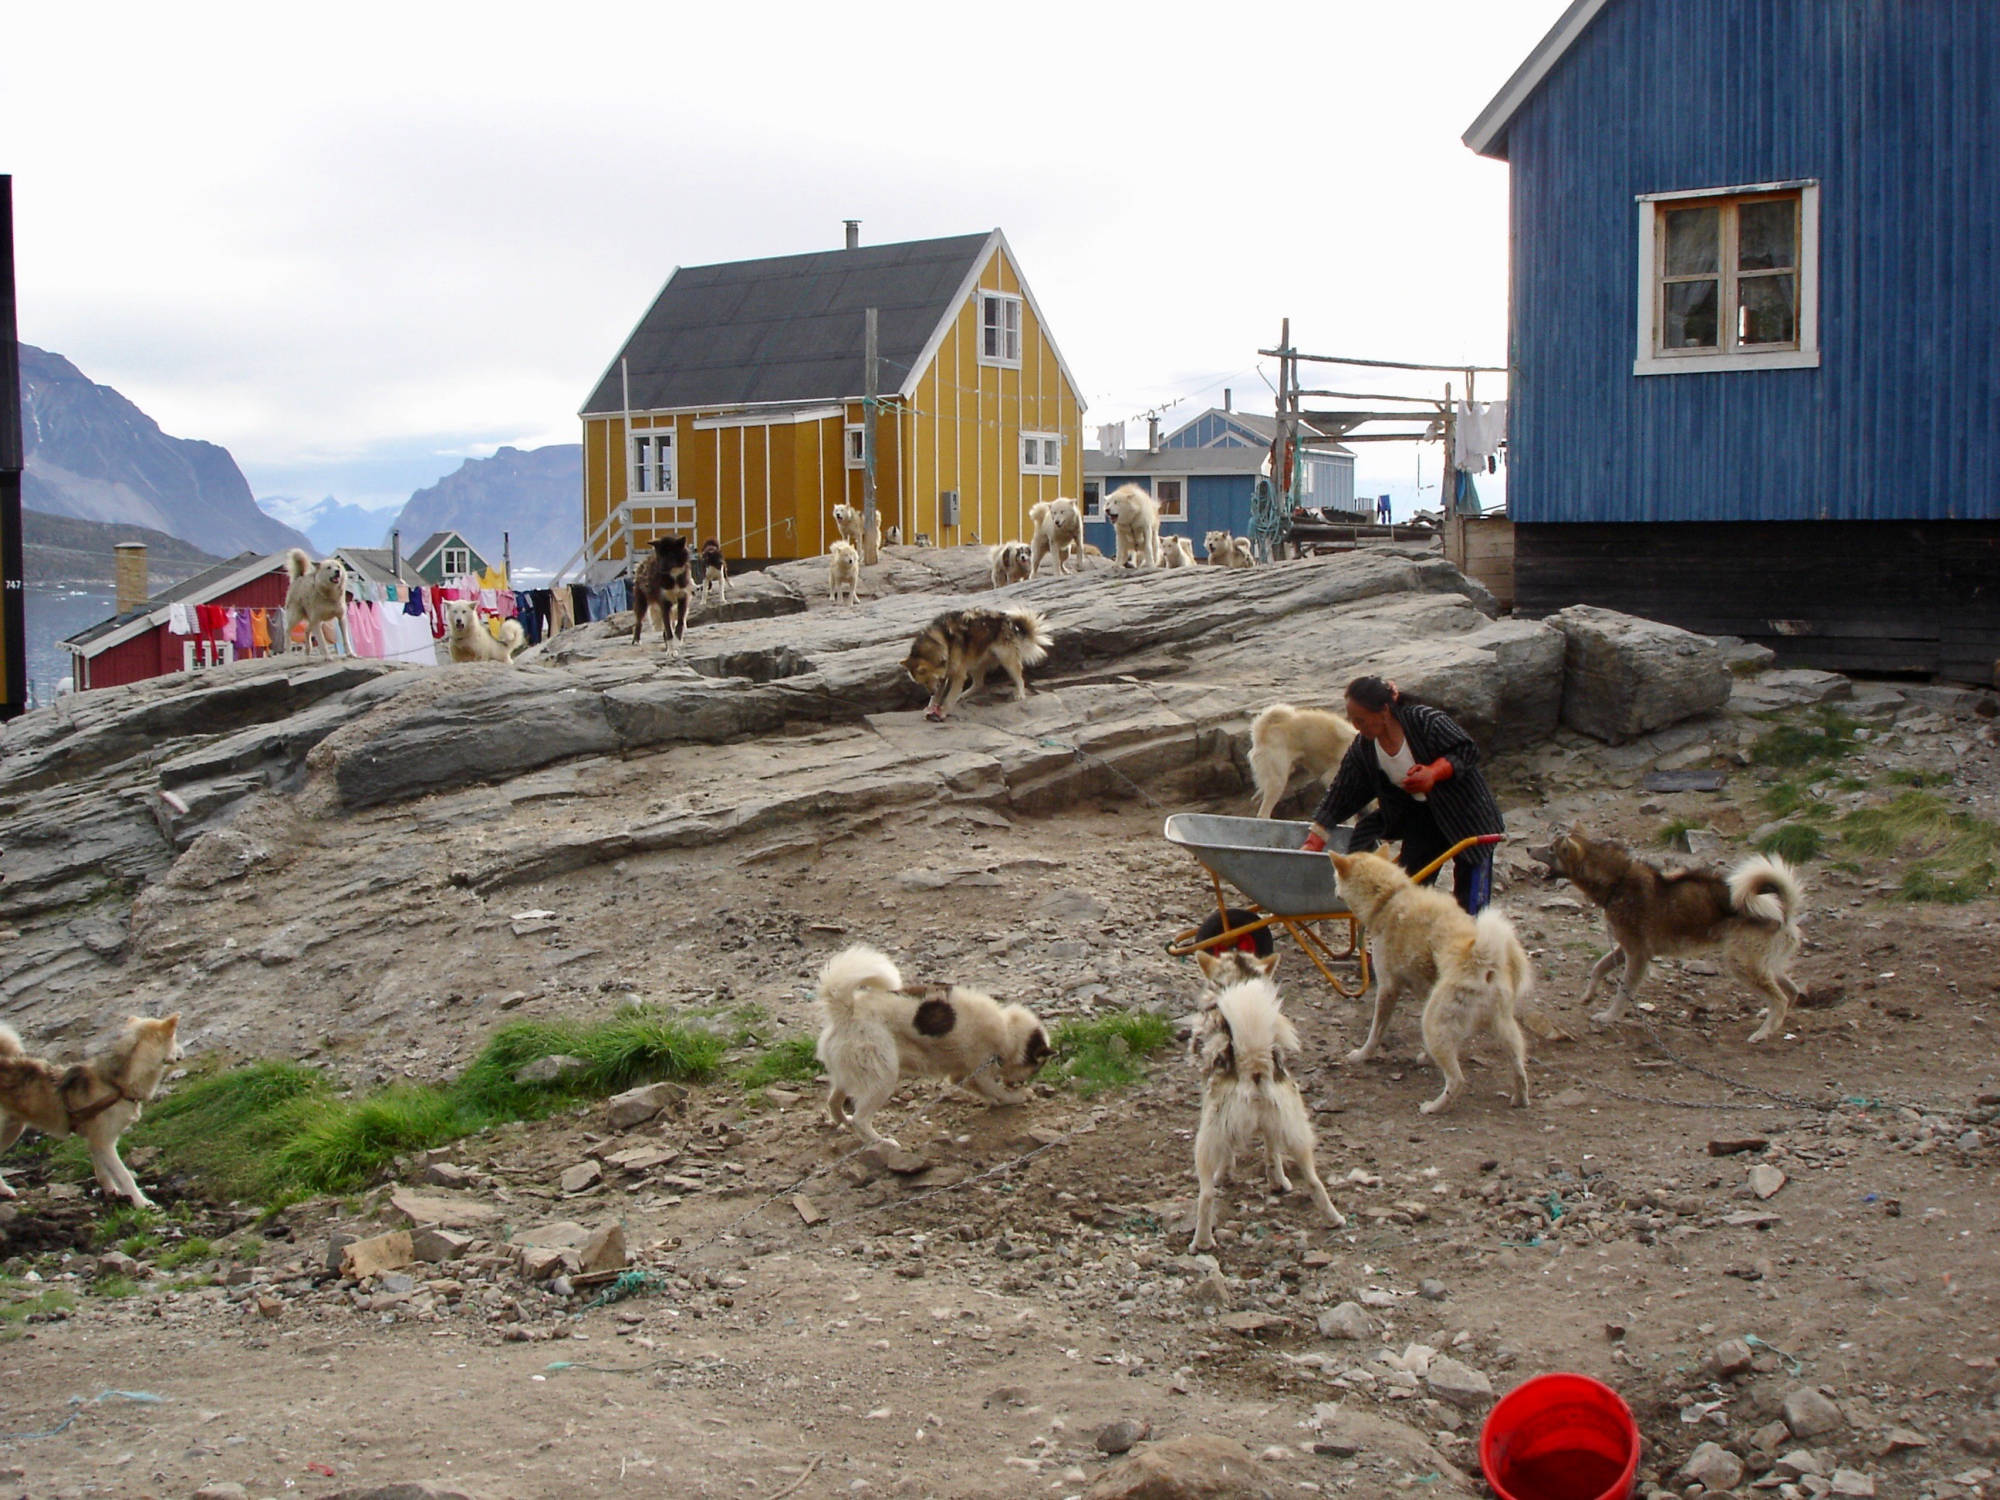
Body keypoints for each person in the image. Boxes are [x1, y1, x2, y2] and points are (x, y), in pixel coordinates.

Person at [1299, 675, 1502, 913]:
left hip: (1467, 814)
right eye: (1353, 720)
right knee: (1409, 893)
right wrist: (1316, 838)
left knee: (1472, 901)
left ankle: (1472, 933)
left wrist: (1434, 772)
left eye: (1361, 720)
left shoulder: (1424, 721)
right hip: (1422, 821)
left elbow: (1466, 750)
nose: (1356, 727)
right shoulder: (1364, 748)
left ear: (1384, 711)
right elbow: (1343, 791)